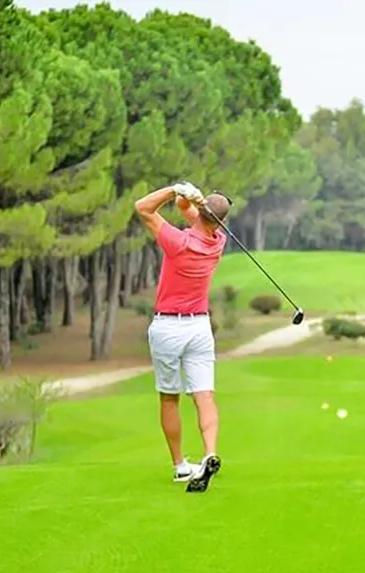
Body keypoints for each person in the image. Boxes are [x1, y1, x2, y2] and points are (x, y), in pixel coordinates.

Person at [134, 181, 231, 493]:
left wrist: (174, 189)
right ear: (222, 221)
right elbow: (191, 213)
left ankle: (179, 466)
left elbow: (142, 207)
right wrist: (192, 200)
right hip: (200, 327)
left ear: (201, 212)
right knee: (204, 395)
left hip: (168, 328)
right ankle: (210, 454)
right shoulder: (219, 241)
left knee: (169, 397)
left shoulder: (177, 241)